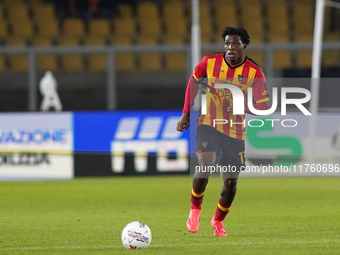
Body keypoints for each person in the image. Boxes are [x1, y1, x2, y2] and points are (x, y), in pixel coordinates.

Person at [176, 26, 269, 236]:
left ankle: (217, 221)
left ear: (244, 45)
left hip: (235, 132)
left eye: (235, 44)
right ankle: (195, 208)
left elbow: (263, 107)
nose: (230, 48)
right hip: (209, 124)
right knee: (205, 167)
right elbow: (193, 81)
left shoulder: (255, 72)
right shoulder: (209, 62)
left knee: (230, 182)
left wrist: (240, 107)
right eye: (227, 43)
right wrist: (186, 113)